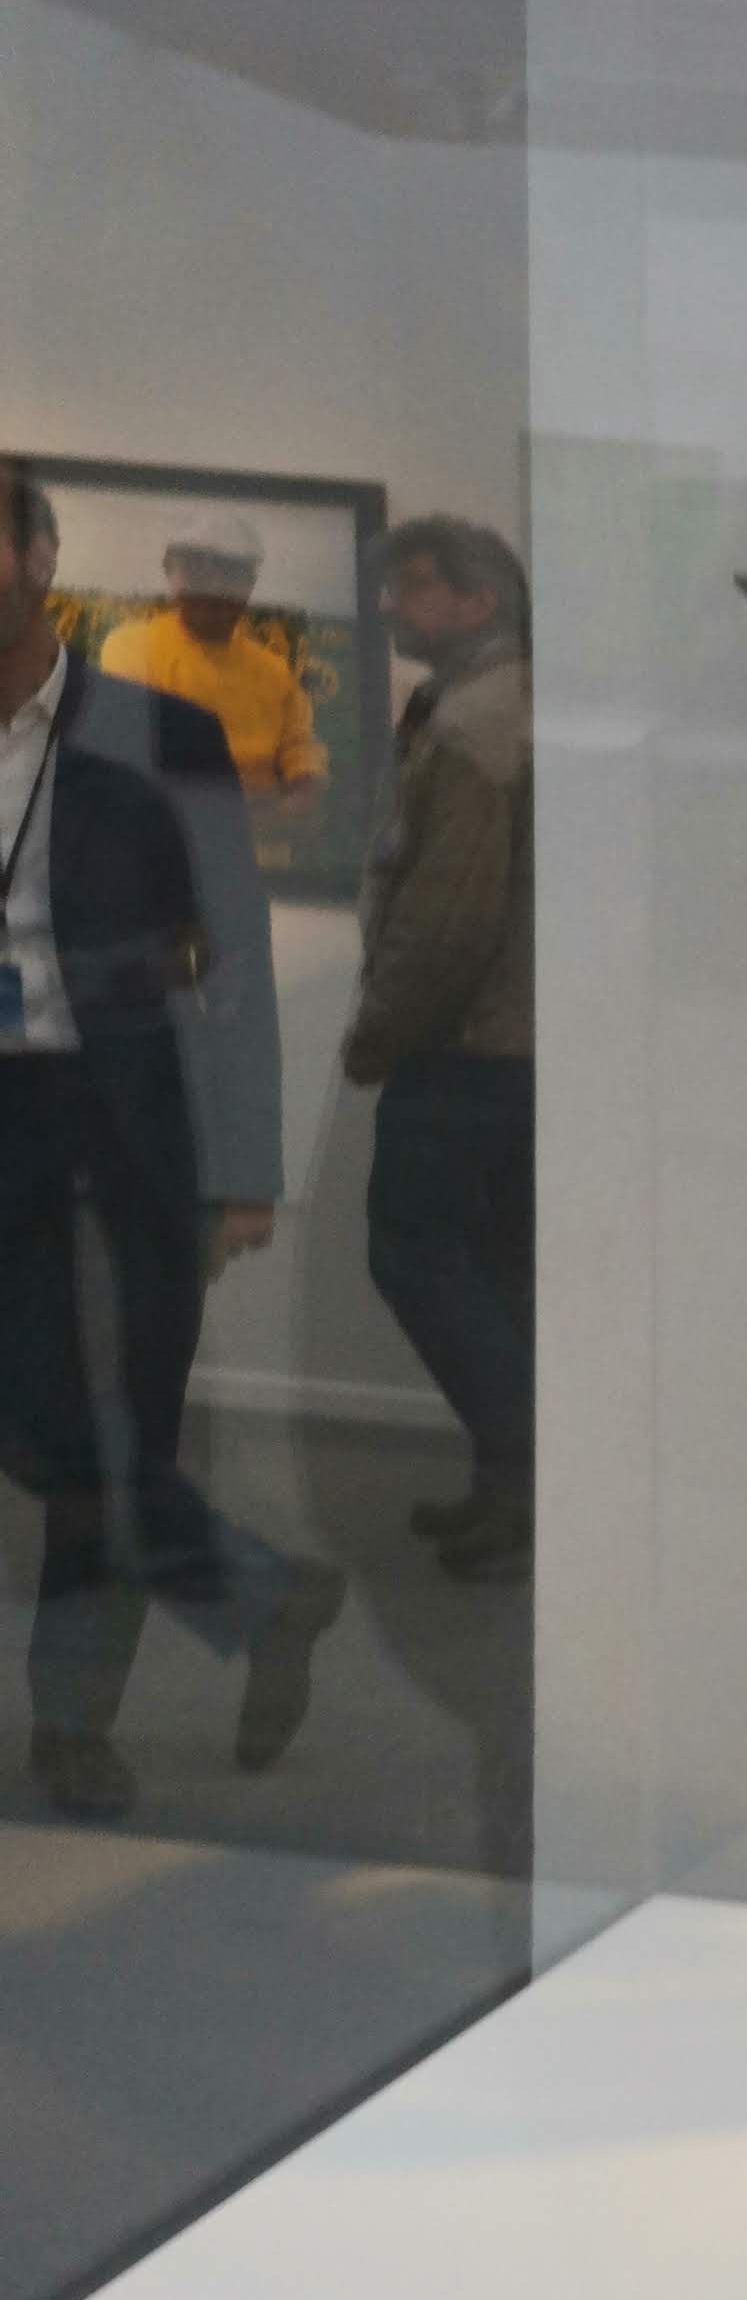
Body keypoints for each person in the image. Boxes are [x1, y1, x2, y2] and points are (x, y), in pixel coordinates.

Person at [0, 462, 346, 1816]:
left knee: (119, 1416)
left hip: (121, 1121)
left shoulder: (161, 734)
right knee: (54, 1429)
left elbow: (238, 959)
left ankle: (72, 1724)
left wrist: (245, 1168)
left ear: (40, 558)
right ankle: (260, 1598)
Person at [343, 518, 533, 1583]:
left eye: (412, 587)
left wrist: (377, 1032)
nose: (389, 606)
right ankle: (511, 1495)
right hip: (508, 1049)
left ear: (479, 599)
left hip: (465, 1049)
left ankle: (534, 1462)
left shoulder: (474, 723)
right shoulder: (486, 703)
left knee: (413, 1252)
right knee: (496, 1271)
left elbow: (447, 922)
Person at [98, 510, 327, 822]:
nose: (214, 587)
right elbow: (133, 751)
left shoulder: (273, 669)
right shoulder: (131, 648)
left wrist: (303, 794)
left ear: (250, 585)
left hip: (264, 838)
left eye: (230, 573)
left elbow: (300, 750)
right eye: (198, 571)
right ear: (171, 575)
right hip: (169, 832)